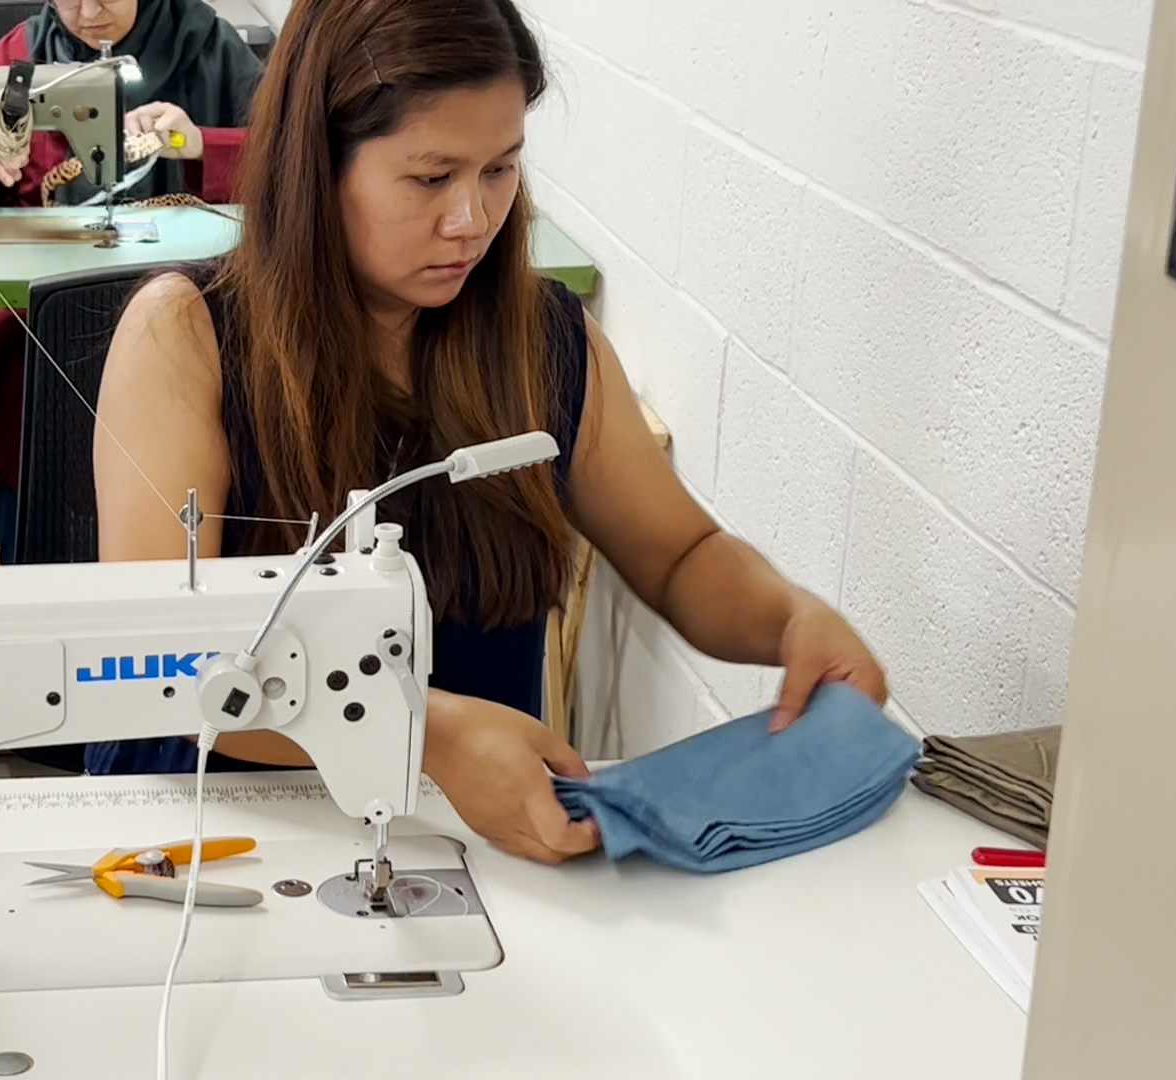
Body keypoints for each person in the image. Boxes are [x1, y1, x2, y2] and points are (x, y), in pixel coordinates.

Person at [90, 0, 891, 865]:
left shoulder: (540, 337)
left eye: (500, 170)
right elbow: (161, 664)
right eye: (431, 178)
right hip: (218, 839)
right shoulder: (185, 339)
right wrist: (426, 734)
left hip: (470, 846)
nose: (472, 219)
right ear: (315, 164)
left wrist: (790, 617)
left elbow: (681, 555)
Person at [0, 0, 263, 561]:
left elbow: (293, 159)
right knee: (18, 384)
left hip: (191, 317)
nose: (87, 11)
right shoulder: (17, 57)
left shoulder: (211, 49)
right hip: (42, 328)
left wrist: (199, 142)